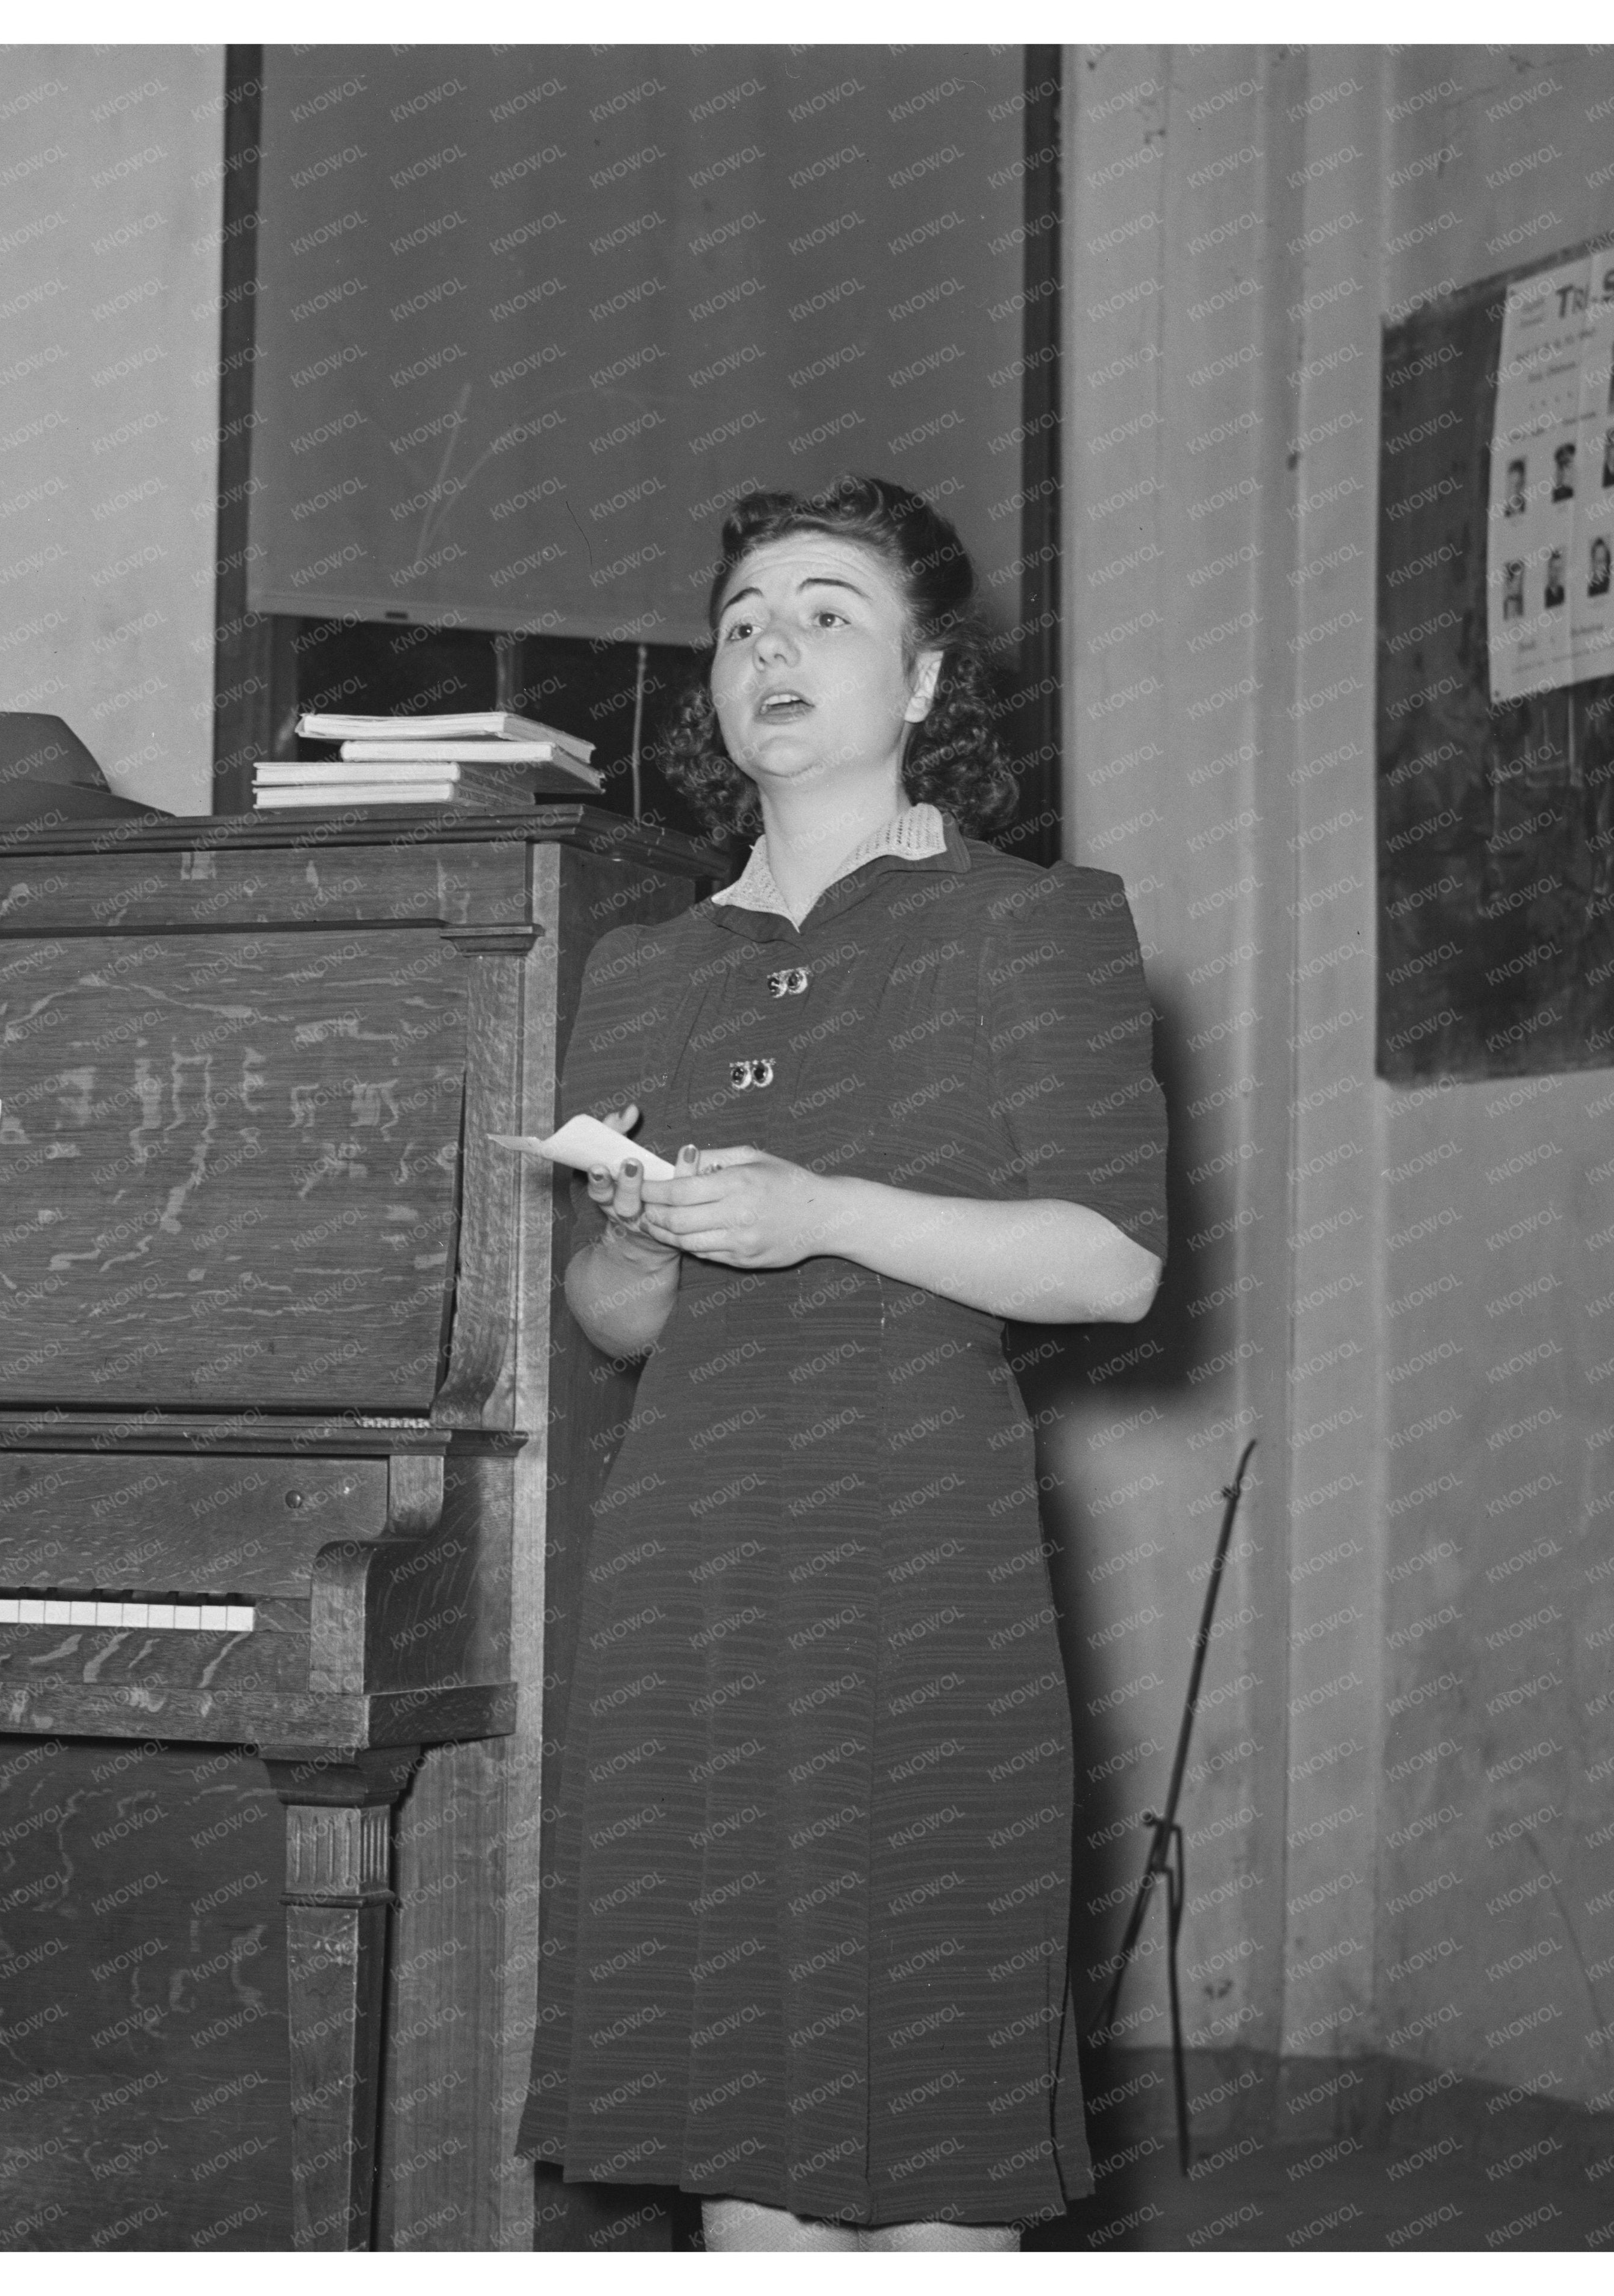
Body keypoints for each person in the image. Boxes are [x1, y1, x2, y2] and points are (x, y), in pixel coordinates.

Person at [515, 475, 1166, 2252]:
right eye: (741, 621)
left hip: (918, 1571)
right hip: (699, 1582)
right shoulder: (650, 967)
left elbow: (1110, 1264)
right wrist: (642, 1241)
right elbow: (616, 1323)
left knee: (936, 2133)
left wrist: (826, 1210)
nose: (772, 647)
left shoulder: (1033, 927)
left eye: (826, 611)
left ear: (929, 681)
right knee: (750, 2142)